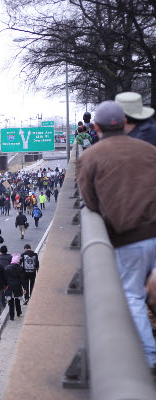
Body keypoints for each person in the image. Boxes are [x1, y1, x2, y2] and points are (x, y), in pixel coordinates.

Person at [77, 100, 156, 367]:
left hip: (127, 238)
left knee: (132, 295)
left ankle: (149, 357)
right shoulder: (148, 149)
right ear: (125, 123)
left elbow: (89, 201)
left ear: (96, 127)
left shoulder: (89, 157)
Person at [4, 254, 25, 321]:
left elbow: (5, 278)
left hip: (9, 287)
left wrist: (4, 285)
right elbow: (22, 279)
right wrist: (24, 288)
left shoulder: (7, 268)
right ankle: (18, 312)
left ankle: (11, 316)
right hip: (17, 286)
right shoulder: (20, 268)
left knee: (11, 302)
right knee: (17, 300)